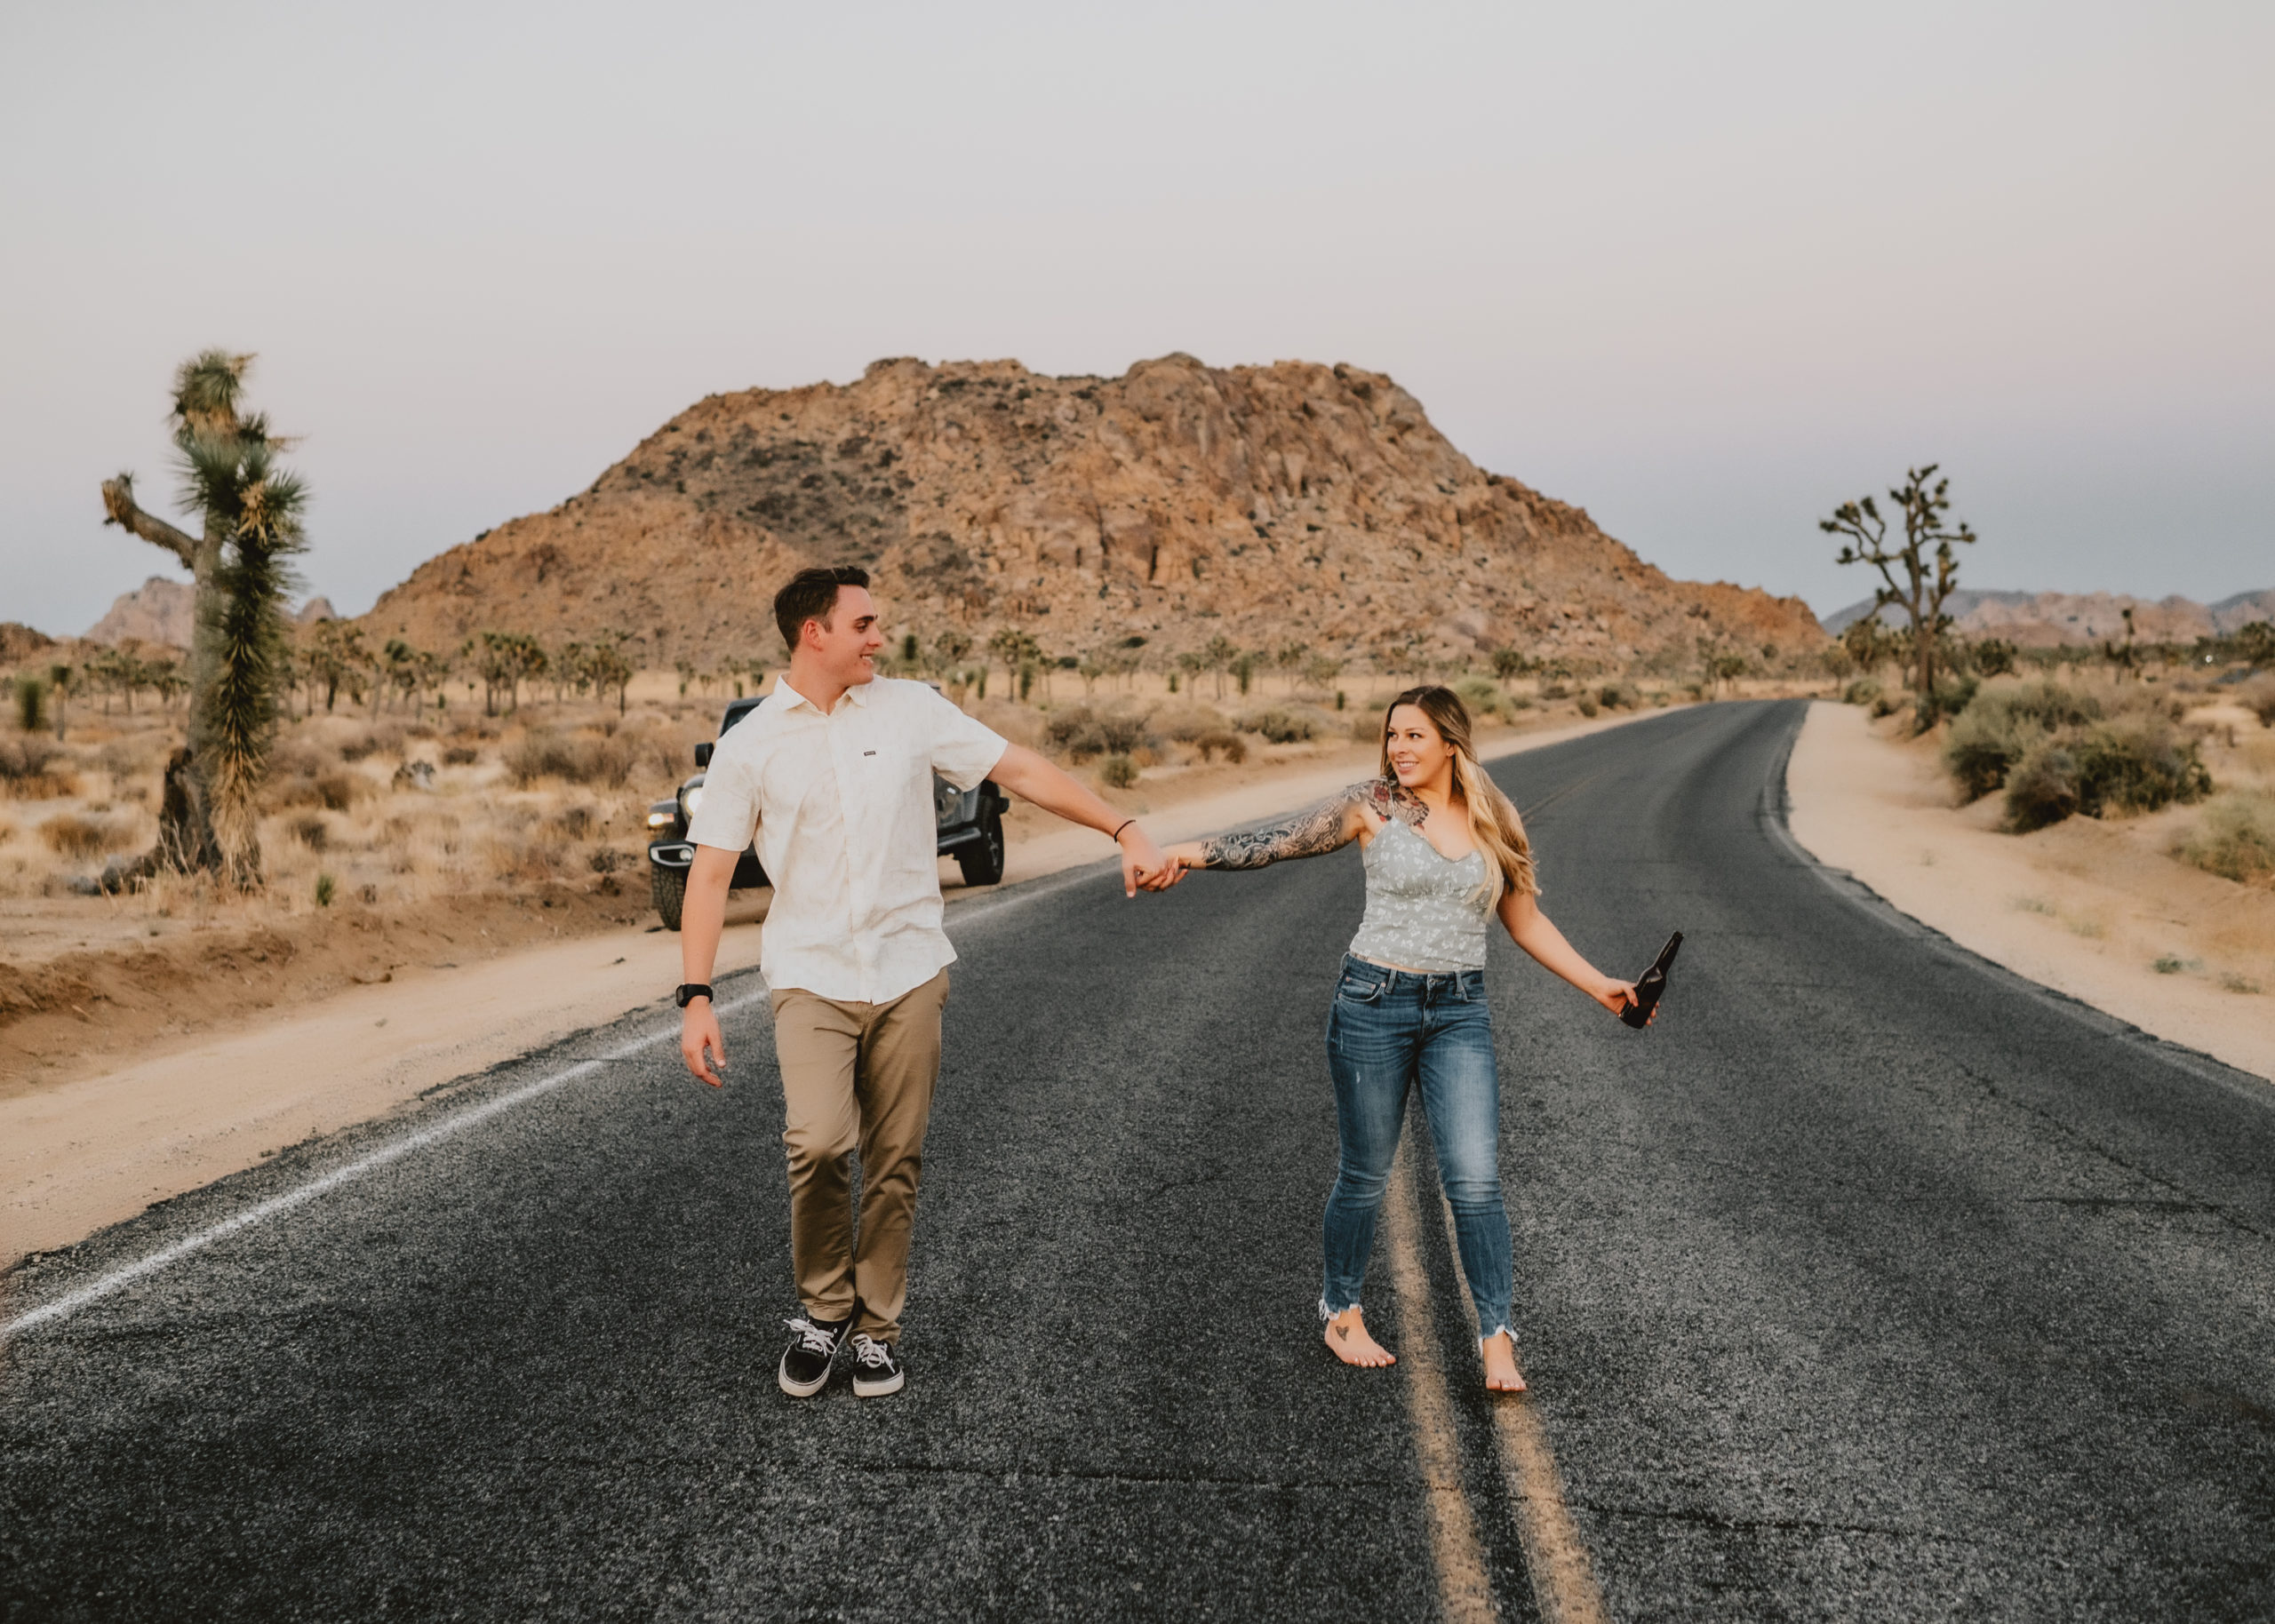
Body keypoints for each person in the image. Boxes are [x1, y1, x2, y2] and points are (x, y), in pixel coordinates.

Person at [676, 565, 1180, 1399]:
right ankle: (823, 1308)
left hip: (909, 969)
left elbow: (1017, 770)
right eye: (865, 625)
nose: (880, 638)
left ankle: (876, 1329)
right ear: (816, 634)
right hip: (810, 975)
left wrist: (1122, 826)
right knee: (818, 1143)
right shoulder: (751, 744)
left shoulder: (914, 711)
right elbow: (708, 874)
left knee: (896, 1157)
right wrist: (696, 997)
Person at [1161, 685, 1645, 1393]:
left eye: (1415, 735)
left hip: (1459, 1011)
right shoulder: (1373, 804)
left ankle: (1497, 1336)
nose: (1399, 748)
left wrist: (1602, 986)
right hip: (1371, 1003)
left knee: (1475, 1181)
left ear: (1451, 742)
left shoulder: (1495, 817)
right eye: (1392, 735)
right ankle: (1343, 1312)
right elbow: (1276, 842)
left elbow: (1525, 923)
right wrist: (1182, 852)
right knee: (1365, 1175)